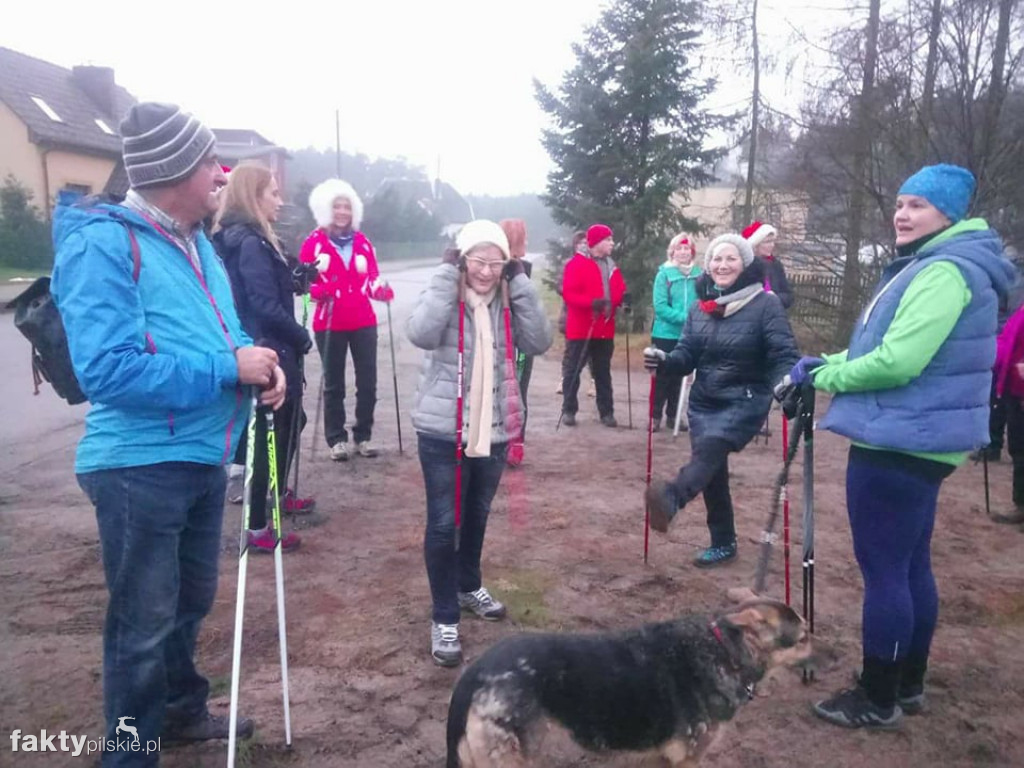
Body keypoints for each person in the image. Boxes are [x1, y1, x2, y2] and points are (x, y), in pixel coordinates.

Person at [51, 102, 285, 763]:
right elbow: (108, 370)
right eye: (209, 163)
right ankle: (130, 752)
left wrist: (257, 365)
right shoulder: (103, 243)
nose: (220, 175)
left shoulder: (195, 242)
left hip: (201, 455)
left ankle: (181, 712)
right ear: (174, 173)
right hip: (137, 466)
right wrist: (225, 366)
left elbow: (225, 330)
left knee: (189, 603)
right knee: (143, 625)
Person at [788, 164, 1014, 729]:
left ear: (949, 215)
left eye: (918, 205)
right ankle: (908, 684)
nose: (902, 214)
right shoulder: (942, 266)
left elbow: (898, 362)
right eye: (900, 202)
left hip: (901, 438)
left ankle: (878, 696)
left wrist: (822, 381)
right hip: (920, 437)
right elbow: (885, 346)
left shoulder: (943, 272)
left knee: (885, 570)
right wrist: (826, 362)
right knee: (910, 563)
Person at [406, 220, 552, 667]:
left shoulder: (509, 296)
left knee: (477, 514)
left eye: (496, 262)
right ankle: (444, 614)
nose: (486, 271)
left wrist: (521, 281)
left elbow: (540, 340)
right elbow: (421, 333)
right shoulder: (447, 290)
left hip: (496, 426)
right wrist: (448, 276)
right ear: (461, 257)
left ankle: (469, 585)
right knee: (444, 523)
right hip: (442, 427)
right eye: (477, 260)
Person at [643, 234, 798, 567]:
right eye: (716, 259)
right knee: (712, 471)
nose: (722, 265)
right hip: (705, 400)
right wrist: (665, 361)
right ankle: (724, 541)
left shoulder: (765, 303)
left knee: (711, 447)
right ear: (708, 265)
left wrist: (786, 382)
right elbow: (686, 354)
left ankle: (672, 498)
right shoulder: (701, 308)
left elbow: (783, 353)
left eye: (731, 259)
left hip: (745, 398)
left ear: (745, 264)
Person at [213, 162, 313, 552]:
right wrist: (301, 336)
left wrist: (297, 278)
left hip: (267, 344)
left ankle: (275, 495)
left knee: (288, 424)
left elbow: (269, 288)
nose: (280, 200)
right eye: (273, 193)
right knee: (267, 434)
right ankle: (257, 527)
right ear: (254, 197)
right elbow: (262, 303)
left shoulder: (245, 238)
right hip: (268, 348)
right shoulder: (251, 242)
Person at [300, 179, 394, 461]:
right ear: (326, 210)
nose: (342, 212)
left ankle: (363, 436)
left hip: (362, 319)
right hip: (329, 322)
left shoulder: (363, 242)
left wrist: (381, 291)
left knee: (368, 381)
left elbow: (372, 279)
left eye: (347, 207)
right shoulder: (313, 243)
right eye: (337, 206)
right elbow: (303, 287)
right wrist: (320, 291)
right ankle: (336, 439)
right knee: (334, 384)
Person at [560, 224, 627, 427]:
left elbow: (619, 289)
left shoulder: (612, 265)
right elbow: (569, 294)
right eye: (608, 240)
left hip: (605, 328)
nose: (612, 243)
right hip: (581, 328)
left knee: (602, 372)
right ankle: (569, 410)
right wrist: (590, 303)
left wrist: (624, 300)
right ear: (597, 242)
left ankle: (606, 412)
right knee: (573, 370)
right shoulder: (575, 264)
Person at [650, 233, 701, 431]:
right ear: (672, 251)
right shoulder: (664, 275)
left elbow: (704, 299)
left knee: (681, 377)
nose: (682, 252)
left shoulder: (699, 275)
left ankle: (673, 416)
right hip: (665, 333)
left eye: (686, 248)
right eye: (679, 248)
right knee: (662, 377)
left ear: (692, 252)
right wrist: (685, 318)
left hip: (688, 335)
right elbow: (660, 307)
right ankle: (655, 417)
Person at [499, 219, 534, 466]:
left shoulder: (525, 268)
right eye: (525, 237)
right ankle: (507, 444)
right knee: (513, 392)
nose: (528, 241)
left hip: (522, 341)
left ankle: (515, 443)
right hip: (508, 341)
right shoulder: (502, 268)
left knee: (519, 392)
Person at [991, 301, 1024, 524]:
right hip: (1014, 388)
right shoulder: (1021, 310)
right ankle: (1020, 505)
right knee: (1019, 449)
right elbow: (1007, 341)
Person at [742, 220, 794, 309]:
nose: (772, 245)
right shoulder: (745, 266)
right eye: (767, 242)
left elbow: (788, 296)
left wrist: (776, 298)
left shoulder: (775, 265)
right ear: (755, 245)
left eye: (773, 241)